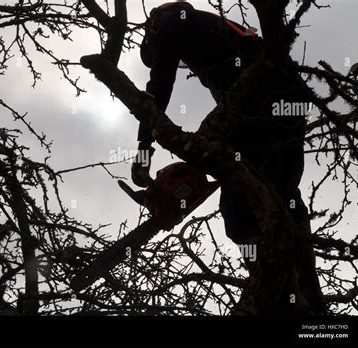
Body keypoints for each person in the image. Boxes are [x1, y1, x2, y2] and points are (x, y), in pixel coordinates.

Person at [133, 1, 326, 314]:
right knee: (283, 196)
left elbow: (157, 90)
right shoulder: (219, 32)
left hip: (259, 105)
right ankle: (311, 301)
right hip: (288, 103)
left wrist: (144, 146)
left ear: (154, 28)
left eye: (158, 53)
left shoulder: (173, 23)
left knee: (240, 212)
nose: (178, 59)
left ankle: (285, 298)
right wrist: (200, 159)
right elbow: (231, 107)